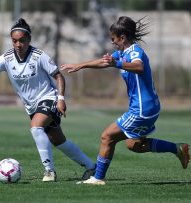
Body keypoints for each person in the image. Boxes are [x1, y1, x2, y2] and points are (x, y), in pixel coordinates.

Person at [61, 16, 190, 185]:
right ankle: (178, 149)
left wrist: (117, 63)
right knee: (134, 145)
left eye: (113, 39)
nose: (112, 42)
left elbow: (139, 66)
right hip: (149, 108)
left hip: (142, 110)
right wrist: (80, 65)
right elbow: (104, 62)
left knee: (107, 136)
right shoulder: (122, 53)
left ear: (122, 37)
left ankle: (98, 178)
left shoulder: (135, 52)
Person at [0, 18, 96, 182]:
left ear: (29, 40)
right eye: (15, 41)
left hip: (48, 98)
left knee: (35, 127)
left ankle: (49, 171)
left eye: (22, 40)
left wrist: (61, 99)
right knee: (58, 141)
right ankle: (91, 167)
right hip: (31, 106)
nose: (18, 44)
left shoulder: (39, 56)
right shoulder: (6, 59)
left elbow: (58, 76)